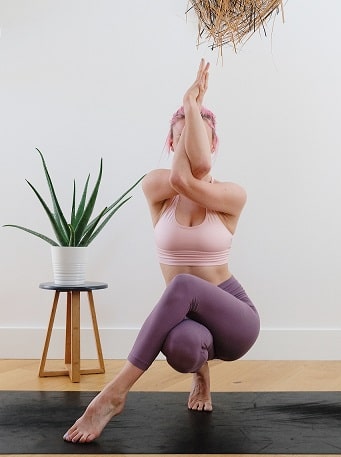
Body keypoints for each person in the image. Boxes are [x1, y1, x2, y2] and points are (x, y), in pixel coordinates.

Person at [63, 58, 260, 444]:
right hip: (189, 322)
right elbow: (177, 177)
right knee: (182, 348)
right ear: (171, 144)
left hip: (235, 320)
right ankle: (200, 374)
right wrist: (190, 114)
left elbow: (194, 170)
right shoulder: (156, 187)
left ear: (213, 143)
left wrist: (191, 107)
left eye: (199, 137)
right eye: (181, 138)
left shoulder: (230, 195)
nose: (190, 145)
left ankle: (113, 395)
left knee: (184, 283)